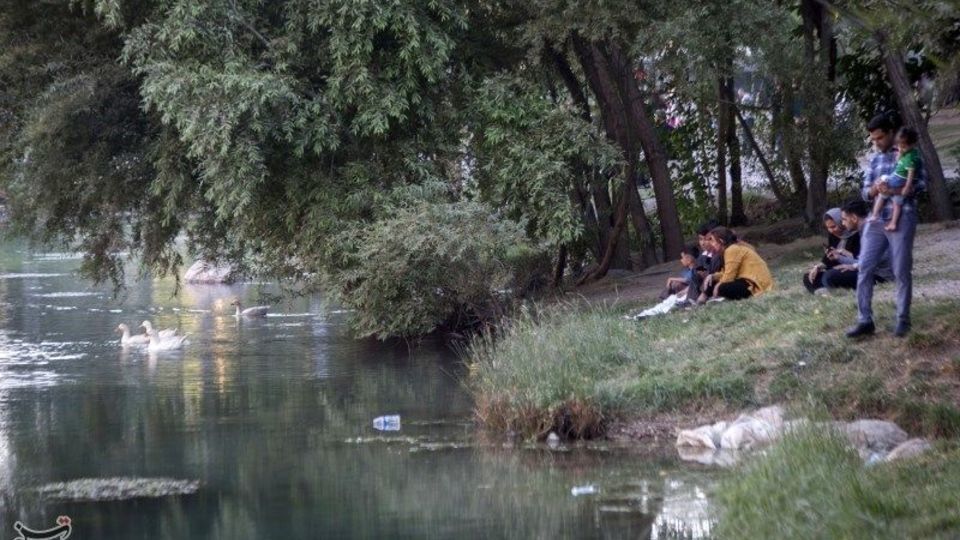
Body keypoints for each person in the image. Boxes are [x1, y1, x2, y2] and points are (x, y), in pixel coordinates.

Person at [846, 115, 926, 338]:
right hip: (876, 220)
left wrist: (895, 191)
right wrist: (875, 188)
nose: (877, 142)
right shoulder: (875, 160)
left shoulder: (910, 154)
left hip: (902, 218)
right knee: (864, 267)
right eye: (873, 139)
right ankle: (865, 320)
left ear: (891, 132)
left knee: (900, 269)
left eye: (880, 137)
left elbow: (920, 186)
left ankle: (902, 319)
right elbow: (865, 193)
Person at [825, 199, 893, 290]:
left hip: (881, 276)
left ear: (854, 218)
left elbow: (879, 258)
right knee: (830, 274)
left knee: (831, 276)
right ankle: (827, 287)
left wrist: (854, 266)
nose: (843, 223)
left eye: (844, 219)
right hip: (871, 271)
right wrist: (839, 258)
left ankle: (828, 288)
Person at [701, 226, 774, 301]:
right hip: (745, 280)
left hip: (755, 283)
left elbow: (729, 277)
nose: (711, 244)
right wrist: (713, 276)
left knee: (722, 288)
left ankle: (713, 298)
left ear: (721, 241)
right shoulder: (727, 250)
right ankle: (703, 299)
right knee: (712, 280)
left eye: (712, 241)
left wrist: (718, 287)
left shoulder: (732, 249)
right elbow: (725, 272)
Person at [870, 127, 921, 232]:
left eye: (903, 147)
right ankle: (875, 214)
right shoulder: (905, 153)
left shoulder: (912, 158)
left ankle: (892, 222)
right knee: (883, 190)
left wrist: (907, 187)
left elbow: (910, 175)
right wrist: (901, 153)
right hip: (895, 176)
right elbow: (898, 162)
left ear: (912, 144)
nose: (900, 149)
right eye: (899, 146)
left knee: (896, 203)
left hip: (899, 180)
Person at [803, 208, 860, 294]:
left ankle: (828, 289)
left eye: (833, 226)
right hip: (837, 269)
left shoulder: (856, 234)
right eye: (828, 228)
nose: (831, 230)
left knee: (829, 276)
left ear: (841, 222)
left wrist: (844, 253)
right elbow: (830, 255)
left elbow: (861, 258)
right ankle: (821, 291)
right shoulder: (833, 235)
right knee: (808, 276)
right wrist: (818, 267)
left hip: (852, 268)